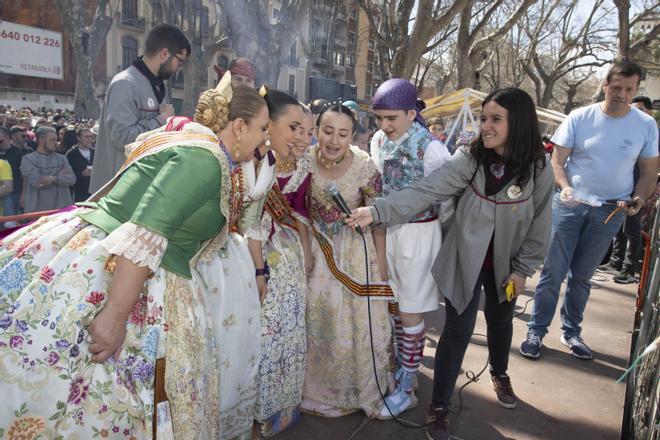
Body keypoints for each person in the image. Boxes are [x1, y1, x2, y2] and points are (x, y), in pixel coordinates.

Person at [0, 78, 269, 438]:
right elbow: (147, 232)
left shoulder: (192, 141)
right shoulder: (205, 158)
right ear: (239, 126)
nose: (264, 139)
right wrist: (113, 315)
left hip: (108, 259)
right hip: (131, 277)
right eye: (262, 129)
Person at [346, 88, 554, 440]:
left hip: (507, 262)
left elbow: (541, 222)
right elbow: (428, 190)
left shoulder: (537, 167)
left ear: (517, 123)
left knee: (501, 319)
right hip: (466, 257)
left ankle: (499, 372)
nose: (485, 126)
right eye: (484, 118)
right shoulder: (469, 158)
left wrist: (522, 270)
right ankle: (439, 405)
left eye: (495, 119)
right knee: (457, 328)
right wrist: (378, 210)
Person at [520, 61, 659, 360]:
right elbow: (557, 161)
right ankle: (536, 330)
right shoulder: (580, 117)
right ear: (606, 85)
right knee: (552, 273)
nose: (622, 93)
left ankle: (572, 332)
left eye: (629, 89)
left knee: (582, 276)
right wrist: (565, 187)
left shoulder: (645, 125)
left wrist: (638, 199)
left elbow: (649, 172)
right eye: (617, 87)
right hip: (570, 205)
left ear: (636, 90)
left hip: (610, 212)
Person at [301, 104, 393, 418]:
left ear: (352, 137)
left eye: (343, 134)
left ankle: (357, 388)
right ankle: (315, 390)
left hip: (354, 254)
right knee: (318, 319)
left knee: (351, 323)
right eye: (328, 131)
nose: (334, 140)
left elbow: (378, 218)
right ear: (316, 131)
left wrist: (381, 265)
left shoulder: (365, 166)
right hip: (315, 250)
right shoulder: (304, 161)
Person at [368, 78, 450, 418]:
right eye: (379, 118)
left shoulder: (431, 149)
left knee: (411, 310)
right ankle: (405, 369)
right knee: (395, 304)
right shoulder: (377, 140)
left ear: (411, 113)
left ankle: (406, 389)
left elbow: (448, 196)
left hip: (418, 232)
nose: (384, 126)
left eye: (392, 119)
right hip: (387, 233)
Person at [246, 89, 311, 437]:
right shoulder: (249, 162)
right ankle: (256, 412)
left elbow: (298, 216)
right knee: (262, 335)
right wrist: (258, 271)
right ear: (267, 124)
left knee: (287, 329)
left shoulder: (281, 164)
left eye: (305, 130)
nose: (301, 137)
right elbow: (250, 226)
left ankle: (281, 405)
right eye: (294, 127)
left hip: (281, 256)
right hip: (252, 259)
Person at [89, 24, 190, 193]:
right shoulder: (125, 83)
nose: (178, 68)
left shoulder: (155, 84)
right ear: (164, 54)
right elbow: (122, 137)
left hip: (140, 187)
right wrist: (161, 120)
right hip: (116, 194)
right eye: (179, 61)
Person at [606, 95, 657, 284]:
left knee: (632, 229)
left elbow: (651, 170)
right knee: (619, 227)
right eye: (633, 108)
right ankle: (615, 262)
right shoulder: (628, 130)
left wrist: (643, 193)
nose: (636, 113)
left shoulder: (652, 133)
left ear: (650, 111)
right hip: (621, 188)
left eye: (641, 109)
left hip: (639, 191)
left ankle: (629, 269)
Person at [19, 126, 75, 213]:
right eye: (52, 140)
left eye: (56, 139)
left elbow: (72, 179)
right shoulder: (28, 159)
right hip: (38, 211)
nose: (56, 142)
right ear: (41, 140)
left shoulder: (62, 158)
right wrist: (59, 176)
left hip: (62, 210)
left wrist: (52, 179)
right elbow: (37, 183)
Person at [65, 126, 96, 202]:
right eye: (86, 136)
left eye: (90, 136)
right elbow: (66, 176)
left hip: (95, 192)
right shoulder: (71, 154)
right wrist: (82, 174)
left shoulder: (96, 152)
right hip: (79, 193)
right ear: (79, 138)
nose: (89, 139)